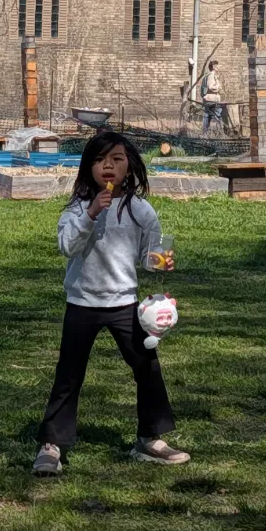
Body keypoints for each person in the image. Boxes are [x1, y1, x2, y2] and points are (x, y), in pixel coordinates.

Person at [32, 130, 188, 476]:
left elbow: (151, 255)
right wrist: (90, 213)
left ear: (128, 167)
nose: (108, 166)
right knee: (69, 375)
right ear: (89, 167)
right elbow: (66, 247)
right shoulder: (76, 208)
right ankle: (51, 445)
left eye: (117, 159)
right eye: (101, 160)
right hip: (82, 303)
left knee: (147, 368)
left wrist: (161, 260)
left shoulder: (140, 210)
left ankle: (150, 440)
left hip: (124, 304)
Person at [199, 61, 224, 135]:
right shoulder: (211, 76)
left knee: (207, 116)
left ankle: (205, 133)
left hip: (209, 99)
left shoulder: (210, 75)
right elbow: (211, 87)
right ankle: (220, 133)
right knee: (218, 115)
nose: (219, 67)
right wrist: (218, 87)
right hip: (213, 99)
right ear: (214, 67)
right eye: (217, 66)